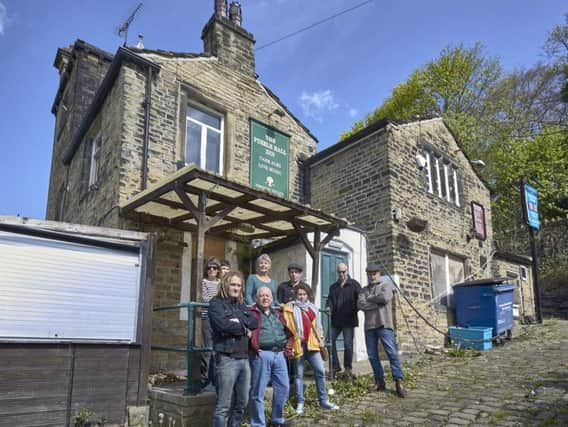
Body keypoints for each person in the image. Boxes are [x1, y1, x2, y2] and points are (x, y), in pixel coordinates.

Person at [209, 271, 258, 427]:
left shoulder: (242, 305)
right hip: (226, 358)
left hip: (244, 358)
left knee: (242, 402)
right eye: (233, 284)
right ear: (225, 284)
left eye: (238, 285)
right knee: (223, 405)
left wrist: (237, 323)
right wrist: (244, 330)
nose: (236, 288)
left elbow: (254, 322)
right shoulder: (215, 303)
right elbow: (222, 325)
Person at [284, 283, 339, 414]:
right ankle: (300, 402)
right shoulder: (290, 309)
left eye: (304, 294)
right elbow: (287, 325)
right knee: (298, 375)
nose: (302, 297)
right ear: (296, 295)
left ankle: (323, 400)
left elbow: (318, 327)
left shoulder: (313, 309)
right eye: (299, 294)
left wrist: (321, 338)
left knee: (320, 371)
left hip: (313, 345)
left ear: (307, 295)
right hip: (299, 345)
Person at [357, 263, 406, 398]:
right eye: (370, 274)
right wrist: (376, 302)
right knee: (372, 355)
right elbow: (360, 304)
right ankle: (379, 382)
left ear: (379, 274)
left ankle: (398, 382)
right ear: (367, 275)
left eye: (375, 273)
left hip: (384, 324)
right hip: (369, 326)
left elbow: (385, 298)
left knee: (391, 353)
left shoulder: (386, 285)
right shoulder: (363, 290)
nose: (372, 276)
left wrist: (370, 299)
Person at [249, 287, 294, 427]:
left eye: (267, 295)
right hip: (262, 354)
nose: (265, 298)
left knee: (283, 388)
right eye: (261, 295)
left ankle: (276, 419)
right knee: (258, 391)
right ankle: (258, 423)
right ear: (257, 299)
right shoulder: (252, 313)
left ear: (272, 298)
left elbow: (288, 332)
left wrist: (288, 347)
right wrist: (254, 346)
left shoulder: (277, 314)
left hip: (279, 354)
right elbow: (246, 330)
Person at [327, 262, 361, 379]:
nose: (341, 274)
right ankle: (336, 366)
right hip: (336, 320)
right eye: (339, 272)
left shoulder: (354, 284)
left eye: (343, 271)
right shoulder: (333, 286)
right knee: (329, 341)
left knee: (348, 344)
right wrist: (328, 307)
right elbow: (329, 300)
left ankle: (348, 368)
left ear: (347, 271)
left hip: (349, 320)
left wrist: (354, 309)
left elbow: (360, 299)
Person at [201, 257, 221, 390]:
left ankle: (216, 379)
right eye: (209, 268)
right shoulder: (204, 282)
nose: (212, 270)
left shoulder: (221, 283)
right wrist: (216, 301)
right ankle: (205, 380)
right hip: (207, 318)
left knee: (218, 349)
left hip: (219, 319)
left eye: (214, 267)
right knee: (207, 349)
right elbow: (204, 298)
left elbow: (223, 297)